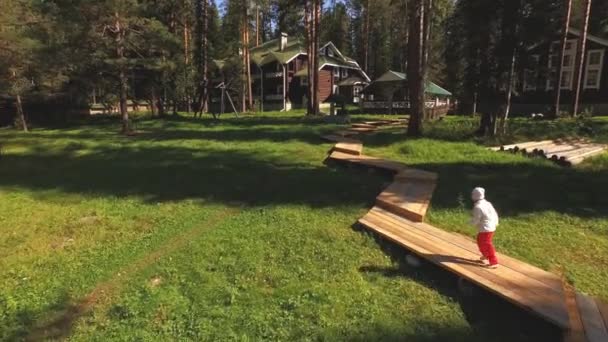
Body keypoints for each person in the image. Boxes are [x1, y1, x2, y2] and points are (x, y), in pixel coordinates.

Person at [471, 187, 499, 269]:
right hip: (490, 226)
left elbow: (476, 219)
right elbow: (494, 213)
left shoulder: (478, 207)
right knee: (480, 241)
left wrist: (470, 223)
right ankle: (486, 255)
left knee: (486, 244)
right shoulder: (487, 203)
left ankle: (494, 262)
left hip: (486, 228)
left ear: (474, 196)